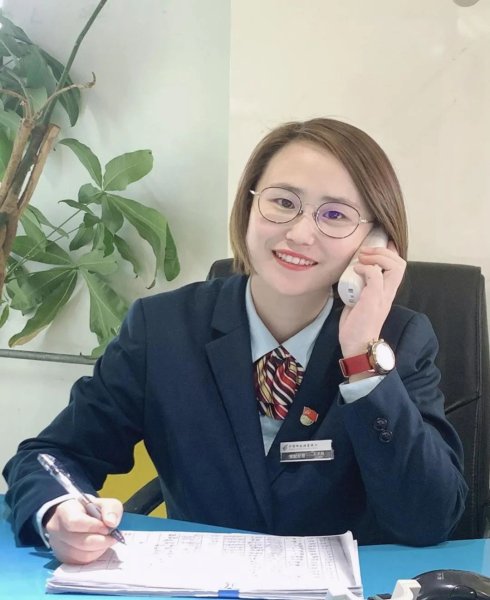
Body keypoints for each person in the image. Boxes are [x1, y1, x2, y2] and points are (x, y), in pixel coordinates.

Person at [3, 117, 467, 565]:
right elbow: (50, 456)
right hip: (199, 586)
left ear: (375, 240)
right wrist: (58, 511)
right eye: (282, 202)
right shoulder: (162, 328)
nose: (299, 233)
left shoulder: (397, 339)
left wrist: (362, 360)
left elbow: (429, 519)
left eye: (335, 215)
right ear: (249, 207)